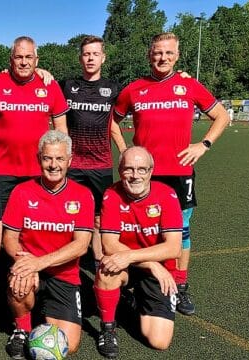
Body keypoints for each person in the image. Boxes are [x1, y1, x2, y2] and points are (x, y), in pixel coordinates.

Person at [112, 32, 229, 316]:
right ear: (149, 55)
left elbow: (222, 116)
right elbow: (112, 123)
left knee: (181, 231)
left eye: (168, 53)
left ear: (177, 55)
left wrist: (203, 145)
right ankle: (133, 282)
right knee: (138, 228)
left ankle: (180, 284)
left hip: (179, 172)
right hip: (145, 175)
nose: (162, 58)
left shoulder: (188, 85)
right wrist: (127, 152)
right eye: (157, 53)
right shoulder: (134, 89)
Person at [2, 130, 93, 359]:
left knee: (69, 345)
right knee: (18, 280)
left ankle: (44, 310)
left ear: (69, 161)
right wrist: (24, 263)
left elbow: (81, 245)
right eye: (47, 158)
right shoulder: (21, 192)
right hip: (28, 268)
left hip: (64, 274)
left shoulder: (82, 195)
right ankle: (21, 329)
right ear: (39, 159)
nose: (53, 165)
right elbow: (9, 238)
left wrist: (38, 263)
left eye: (60, 159)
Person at [93, 146, 183, 358]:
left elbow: (174, 248)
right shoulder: (112, 195)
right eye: (129, 169)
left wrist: (133, 257)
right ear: (120, 170)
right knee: (107, 271)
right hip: (137, 265)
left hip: (157, 271)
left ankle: (127, 301)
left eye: (142, 169)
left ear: (151, 171)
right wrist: (151, 263)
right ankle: (107, 329)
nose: (135, 176)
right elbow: (109, 244)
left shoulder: (167, 195)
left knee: (158, 341)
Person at [0, 36, 69, 232]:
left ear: (36, 60)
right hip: (2, 172)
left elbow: (62, 130)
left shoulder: (49, 85)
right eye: (19, 57)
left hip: (40, 171)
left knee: (36, 227)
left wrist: (62, 163)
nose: (23, 62)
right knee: (0, 228)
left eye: (29, 57)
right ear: (11, 59)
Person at [59, 35, 127, 273]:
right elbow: (38, 84)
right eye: (86, 54)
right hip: (72, 164)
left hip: (100, 165)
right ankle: (66, 258)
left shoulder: (113, 89)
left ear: (103, 58)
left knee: (99, 217)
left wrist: (124, 151)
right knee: (68, 213)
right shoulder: (66, 85)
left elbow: (116, 122)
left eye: (95, 54)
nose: (90, 58)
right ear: (80, 58)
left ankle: (97, 258)